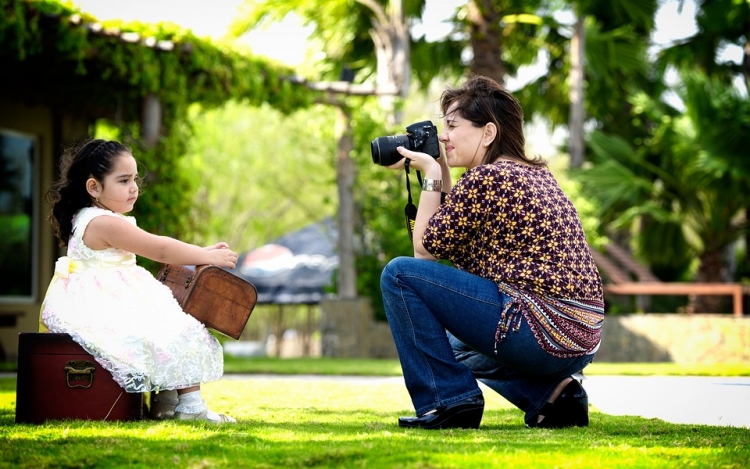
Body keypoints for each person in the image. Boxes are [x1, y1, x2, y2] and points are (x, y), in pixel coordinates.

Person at [380, 74, 604, 430]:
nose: (444, 137)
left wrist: (431, 175)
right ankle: (554, 396)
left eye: (452, 126)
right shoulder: (532, 175)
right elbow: (450, 230)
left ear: (488, 132)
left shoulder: (488, 179)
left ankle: (449, 401)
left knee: (398, 274)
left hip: (539, 329)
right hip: (580, 336)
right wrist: (437, 166)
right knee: (451, 342)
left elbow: (424, 253)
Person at [41, 139, 239, 424]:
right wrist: (206, 256)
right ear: (94, 187)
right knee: (177, 327)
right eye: (123, 180)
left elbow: (156, 245)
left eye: (134, 179)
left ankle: (167, 402)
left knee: (166, 325)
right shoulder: (103, 222)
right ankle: (190, 407)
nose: (133, 187)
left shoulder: (95, 217)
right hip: (101, 300)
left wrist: (204, 253)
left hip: (105, 294)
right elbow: (157, 248)